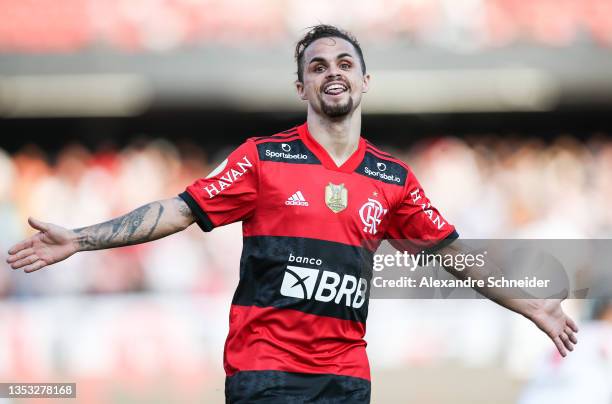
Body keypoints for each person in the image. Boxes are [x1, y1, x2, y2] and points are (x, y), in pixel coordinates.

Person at [7, 25, 578, 403]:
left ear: (363, 80)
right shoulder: (263, 158)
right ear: (301, 85)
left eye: (345, 62)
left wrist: (531, 306)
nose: (333, 71)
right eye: (318, 65)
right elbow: (178, 210)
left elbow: (454, 257)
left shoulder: (392, 179)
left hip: (346, 373)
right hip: (265, 368)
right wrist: (80, 239)